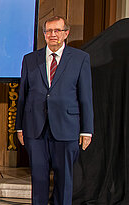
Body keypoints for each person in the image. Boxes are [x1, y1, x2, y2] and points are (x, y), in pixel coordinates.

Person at [15, 16, 94, 205]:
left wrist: (86, 130)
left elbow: (85, 97)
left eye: (57, 31)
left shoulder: (80, 59)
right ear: (44, 35)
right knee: (39, 178)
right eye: (49, 31)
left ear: (66, 33)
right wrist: (19, 128)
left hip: (67, 128)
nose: (53, 35)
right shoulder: (29, 60)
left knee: (64, 180)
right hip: (35, 129)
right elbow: (23, 96)